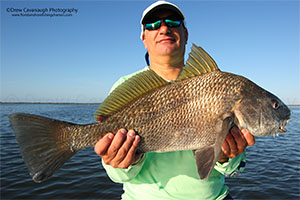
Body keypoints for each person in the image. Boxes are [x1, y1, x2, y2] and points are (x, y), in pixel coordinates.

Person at [94, 1, 255, 199]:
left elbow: (235, 171)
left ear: (185, 34)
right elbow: (118, 176)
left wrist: (224, 157)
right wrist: (122, 162)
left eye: (173, 22)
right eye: (153, 24)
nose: (163, 28)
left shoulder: (219, 86)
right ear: (144, 38)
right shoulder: (125, 85)